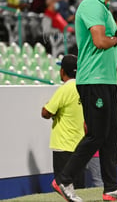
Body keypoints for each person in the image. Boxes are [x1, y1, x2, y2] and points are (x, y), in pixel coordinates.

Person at [51, 0, 117, 202]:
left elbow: (106, 43)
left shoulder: (103, 8)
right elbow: (100, 41)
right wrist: (115, 39)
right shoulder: (91, 5)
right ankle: (63, 179)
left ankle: (111, 188)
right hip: (93, 80)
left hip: (105, 80)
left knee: (111, 133)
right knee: (98, 134)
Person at [41, 54, 85, 189]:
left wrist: (47, 105)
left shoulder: (64, 89)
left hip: (63, 145)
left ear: (62, 71)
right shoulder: (83, 87)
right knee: (79, 187)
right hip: (80, 145)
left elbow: (46, 112)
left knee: (64, 187)